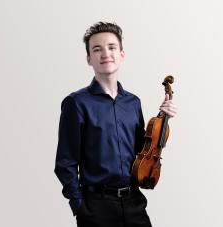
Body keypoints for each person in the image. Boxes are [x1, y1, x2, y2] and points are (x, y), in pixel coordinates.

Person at [54, 22, 177, 227]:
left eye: (111, 47)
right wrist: (79, 207)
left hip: (134, 202)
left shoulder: (133, 102)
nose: (105, 53)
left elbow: (141, 150)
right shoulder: (76, 103)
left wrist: (161, 118)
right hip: (96, 207)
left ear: (122, 54)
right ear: (88, 59)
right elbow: (65, 162)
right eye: (97, 49)